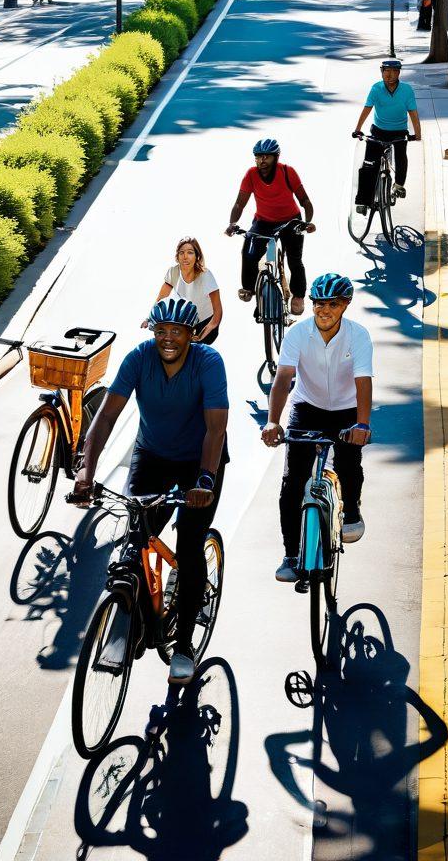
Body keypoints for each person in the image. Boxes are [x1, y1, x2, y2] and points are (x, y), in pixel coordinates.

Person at [73, 297, 229, 685]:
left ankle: (184, 645)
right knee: (135, 541)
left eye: (177, 331)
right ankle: (128, 625)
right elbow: (106, 417)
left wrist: (205, 480)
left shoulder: (208, 363)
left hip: (199, 462)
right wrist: (86, 475)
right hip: (152, 455)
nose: (168, 338)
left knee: (189, 547)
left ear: (192, 335)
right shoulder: (139, 359)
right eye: (161, 331)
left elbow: (215, 430)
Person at [262, 273, 373, 582]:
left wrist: (362, 424)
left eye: (333, 304)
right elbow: (283, 379)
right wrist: (273, 420)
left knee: (349, 465)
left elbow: (363, 381)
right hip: (307, 407)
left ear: (345, 305)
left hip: (346, 409)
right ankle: (291, 554)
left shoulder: (358, 336)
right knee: (292, 483)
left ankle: (351, 509)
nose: (325, 310)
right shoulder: (298, 334)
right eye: (319, 304)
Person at [225, 137, 315, 315]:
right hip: (263, 221)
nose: (262, 160)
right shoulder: (251, 174)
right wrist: (232, 223)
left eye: (267, 156)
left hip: (290, 221)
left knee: (295, 260)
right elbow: (239, 204)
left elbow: (305, 201)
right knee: (248, 249)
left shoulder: (288, 172)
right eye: (258, 157)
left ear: (276, 157)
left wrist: (306, 223)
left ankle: (298, 295)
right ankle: (249, 288)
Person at [353, 59, 421, 210]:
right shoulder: (376, 89)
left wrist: (417, 134)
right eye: (386, 71)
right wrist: (357, 129)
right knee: (369, 164)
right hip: (379, 131)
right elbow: (367, 109)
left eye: (393, 71)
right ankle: (363, 201)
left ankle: (399, 185)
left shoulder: (407, 90)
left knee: (401, 156)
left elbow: (413, 113)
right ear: (382, 72)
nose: (389, 75)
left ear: (398, 73)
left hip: (399, 131)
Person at [142, 237, 223, 345]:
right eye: (181, 253)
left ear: (197, 256)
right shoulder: (173, 272)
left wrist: (200, 337)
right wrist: (149, 319)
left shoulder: (205, 275)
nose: (185, 257)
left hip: (208, 323)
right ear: (177, 256)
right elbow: (161, 299)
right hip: (188, 321)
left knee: (193, 348)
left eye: (190, 252)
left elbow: (217, 313)